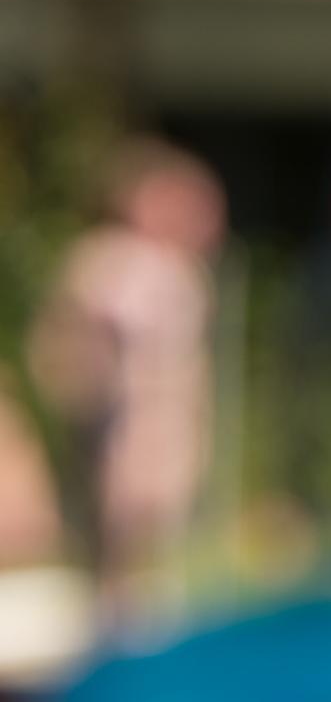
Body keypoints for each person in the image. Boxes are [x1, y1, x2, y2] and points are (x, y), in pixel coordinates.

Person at [29, 138, 224, 632]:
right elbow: (66, 334)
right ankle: (112, 613)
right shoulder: (107, 261)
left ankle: (144, 612)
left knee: (160, 518)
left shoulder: (181, 270)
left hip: (168, 414)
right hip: (118, 412)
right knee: (116, 516)